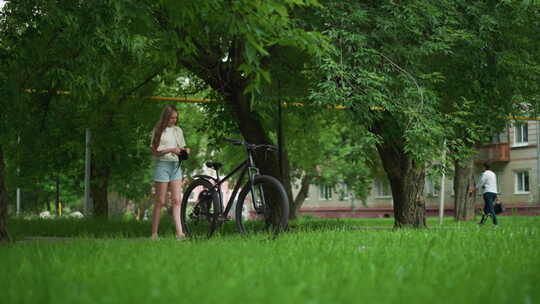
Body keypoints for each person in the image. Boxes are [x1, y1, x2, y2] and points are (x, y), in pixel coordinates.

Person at [150, 105, 190, 240]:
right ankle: (154, 234)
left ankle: (180, 233)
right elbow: (155, 152)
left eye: (176, 118)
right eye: (172, 117)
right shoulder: (158, 130)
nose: (174, 120)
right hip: (163, 165)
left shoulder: (178, 131)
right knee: (160, 201)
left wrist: (185, 151)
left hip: (176, 166)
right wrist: (170, 150)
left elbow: (181, 147)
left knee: (177, 200)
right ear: (166, 117)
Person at [475, 163, 498, 227]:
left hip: (488, 193)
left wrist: (475, 188)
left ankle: (495, 224)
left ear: (485, 167)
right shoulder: (493, 174)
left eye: (482, 167)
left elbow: (481, 182)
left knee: (490, 209)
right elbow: (491, 183)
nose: (482, 169)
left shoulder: (485, 174)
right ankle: (482, 222)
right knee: (486, 209)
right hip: (494, 192)